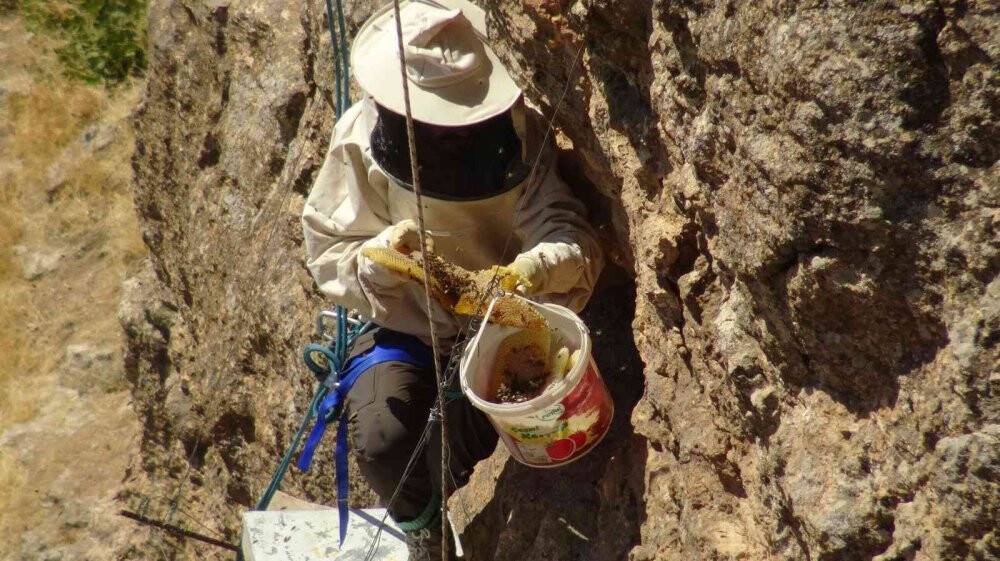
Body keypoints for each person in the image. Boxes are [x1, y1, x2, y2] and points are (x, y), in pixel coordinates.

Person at [300, 0, 603, 558]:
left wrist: (532, 269)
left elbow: (568, 233)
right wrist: (374, 260)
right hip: (404, 328)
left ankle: (442, 486)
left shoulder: (518, 135)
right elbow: (328, 246)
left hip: (504, 329)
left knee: (451, 446)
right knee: (385, 441)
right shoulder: (359, 139)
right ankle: (424, 534)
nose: (441, 138)